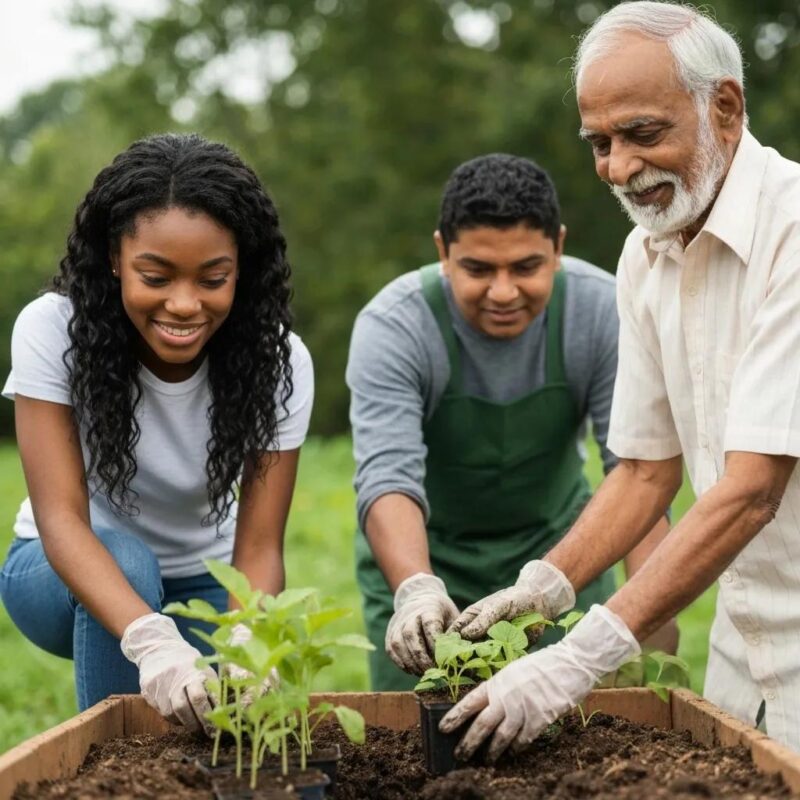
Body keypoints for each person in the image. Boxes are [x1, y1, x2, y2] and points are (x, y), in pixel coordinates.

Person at [440, 0, 800, 761]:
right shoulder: (646, 255)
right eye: (599, 143)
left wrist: (577, 659)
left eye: (643, 134)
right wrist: (544, 586)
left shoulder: (793, 235)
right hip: (748, 638)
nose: (618, 168)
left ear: (725, 108)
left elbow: (752, 488)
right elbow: (644, 468)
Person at [0, 134, 313, 732]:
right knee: (129, 561)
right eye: (157, 276)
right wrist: (152, 640)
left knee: (230, 728)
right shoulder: (52, 328)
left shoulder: (281, 362)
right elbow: (61, 519)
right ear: (115, 257)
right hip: (56, 575)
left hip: (201, 587)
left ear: (241, 270)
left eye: (212, 278)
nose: (185, 304)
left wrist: (249, 636)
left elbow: (259, 546)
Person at [347, 153, 676, 690]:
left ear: (558, 248)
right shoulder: (396, 325)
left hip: (563, 554)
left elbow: (638, 471)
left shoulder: (601, 311)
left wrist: (650, 614)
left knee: (579, 739)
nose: (503, 293)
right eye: (478, 269)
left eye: (526, 267)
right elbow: (388, 477)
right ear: (443, 254)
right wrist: (415, 588)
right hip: (425, 556)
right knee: (413, 746)